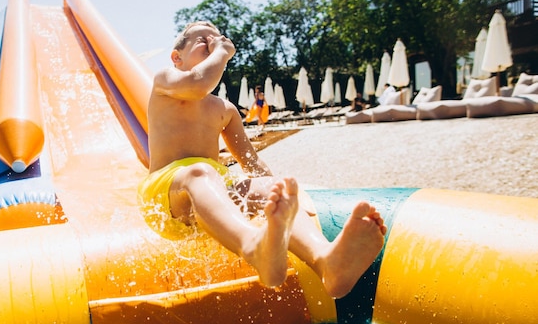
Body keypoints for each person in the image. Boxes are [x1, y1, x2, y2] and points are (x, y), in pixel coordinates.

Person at [138, 21, 386, 298]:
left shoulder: (225, 110)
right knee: (201, 172)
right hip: (165, 195)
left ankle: (326, 260)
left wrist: (283, 196)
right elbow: (198, 84)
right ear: (177, 57)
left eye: (218, 40)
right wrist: (222, 51)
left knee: (270, 187)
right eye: (204, 42)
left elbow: (252, 165)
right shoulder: (165, 82)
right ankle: (251, 245)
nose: (214, 46)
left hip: (213, 190)